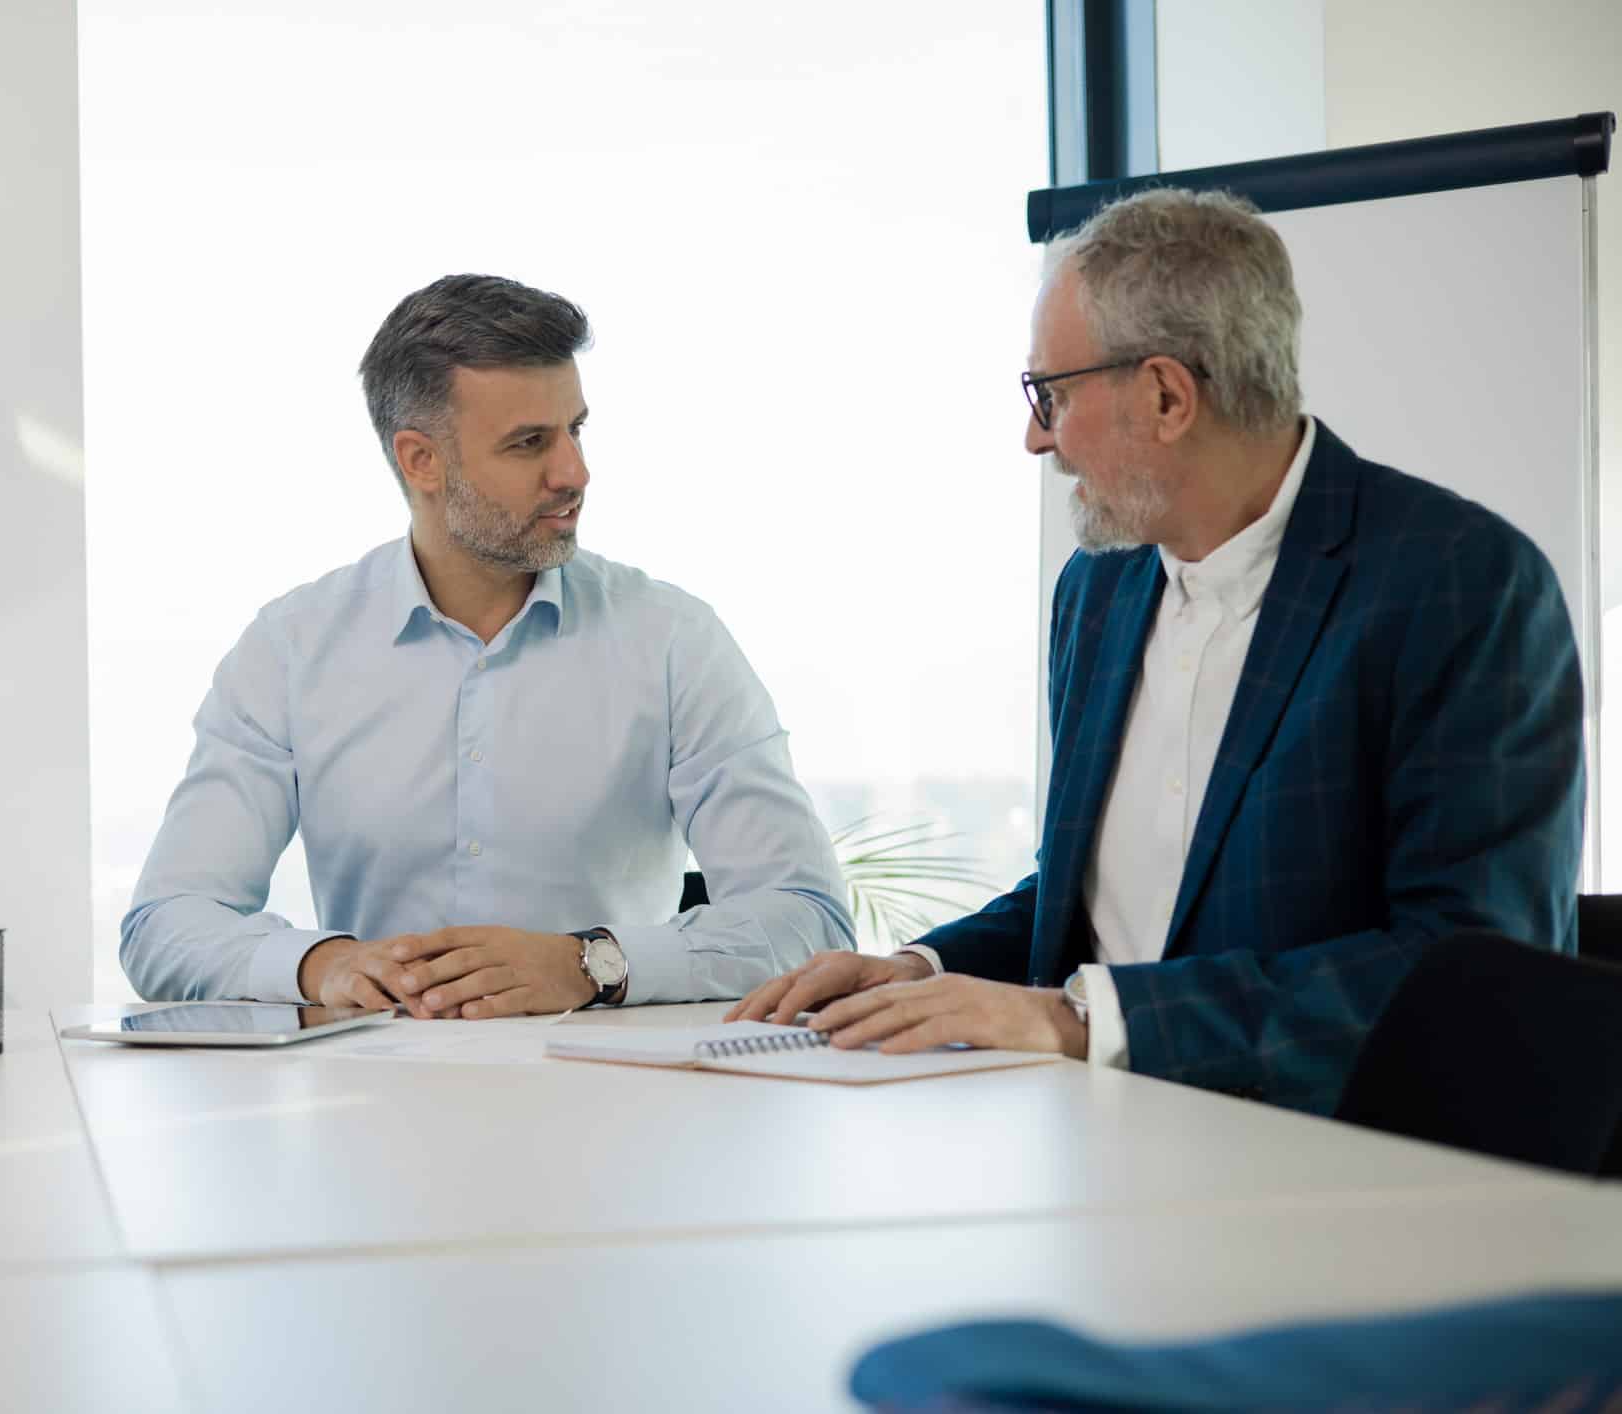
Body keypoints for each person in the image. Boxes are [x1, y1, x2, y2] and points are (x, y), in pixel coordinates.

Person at [730, 188, 1583, 1114]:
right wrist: (916, 968)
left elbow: (1470, 970)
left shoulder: (1462, 582)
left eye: (1050, 395)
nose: (1035, 439)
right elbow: (1089, 900)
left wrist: (1083, 1023)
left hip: (1346, 1177)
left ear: (1168, 395)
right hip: (1096, 1147)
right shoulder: (1097, 592)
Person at [125, 274, 853, 1018]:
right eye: (529, 443)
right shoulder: (290, 650)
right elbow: (166, 924)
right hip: (370, 1103)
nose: (574, 472)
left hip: (619, 1102)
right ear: (421, 461)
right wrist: (325, 963)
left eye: (577, 429)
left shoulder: (674, 641)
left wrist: (590, 963)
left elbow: (806, 916)